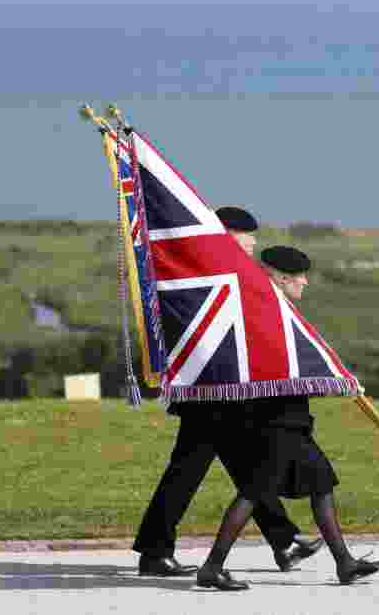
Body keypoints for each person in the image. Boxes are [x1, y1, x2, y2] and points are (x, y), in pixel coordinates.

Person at [132, 207, 323, 577]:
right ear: (226, 233)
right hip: (211, 392)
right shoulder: (214, 269)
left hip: (219, 391)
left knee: (241, 467)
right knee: (191, 471)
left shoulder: (222, 268)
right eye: (246, 235)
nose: (252, 242)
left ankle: (283, 540)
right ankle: (156, 551)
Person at [195, 245, 379, 590]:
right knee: (254, 491)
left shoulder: (279, 311)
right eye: (300, 276)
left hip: (292, 419)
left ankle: (344, 562)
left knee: (321, 482)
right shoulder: (269, 311)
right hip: (274, 419)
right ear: (282, 278)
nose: (306, 282)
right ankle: (212, 566)